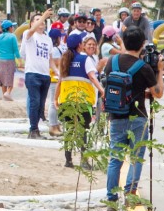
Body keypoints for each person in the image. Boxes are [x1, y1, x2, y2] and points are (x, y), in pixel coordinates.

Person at [103, 26, 164, 211]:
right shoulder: (144, 67)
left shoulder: (111, 62)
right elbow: (158, 93)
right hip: (137, 117)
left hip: (116, 118)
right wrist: (160, 71)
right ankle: (130, 195)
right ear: (142, 45)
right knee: (136, 159)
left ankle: (111, 202)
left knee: (115, 160)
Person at [56, 32, 103, 168]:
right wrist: (102, 90)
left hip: (66, 100)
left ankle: (68, 160)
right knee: (82, 131)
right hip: (82, 100)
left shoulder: (64, 59)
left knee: (69, 130)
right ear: (80, 45)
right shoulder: (85, 59)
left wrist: (55, 99)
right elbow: (93, 78)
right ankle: (84, 161)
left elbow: (60, 81)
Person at [22, 10, 55, 139]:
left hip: (45, 74)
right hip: (32, 73)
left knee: (41, 105)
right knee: (34, 102)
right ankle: (33, 130)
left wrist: (58, 72)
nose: (40, 22)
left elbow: (50, 59)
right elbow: (30, 31)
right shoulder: (28, 35)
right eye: (37, 20)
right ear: (31, 23)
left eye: (41, 20)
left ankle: (36, 129)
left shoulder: (48, 39)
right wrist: (43, 16)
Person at [46, 23, 66, 136]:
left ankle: (55, 124)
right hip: (54, 77)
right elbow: (57, 63)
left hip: (56, 77)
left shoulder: (55, 48)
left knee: (56, 102)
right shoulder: (54, 50)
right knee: (53, 103)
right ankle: (52, 125)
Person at [0, 20, 20, 101]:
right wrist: (20, 61)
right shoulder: (12, 37)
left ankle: (4, 96)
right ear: (9, 28)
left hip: (0, 60)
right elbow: (16, 51)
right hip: (9, 60)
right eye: (12, 26)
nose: (13, 28)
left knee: (3, 80)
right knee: (11, 78)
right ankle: (8, 93)